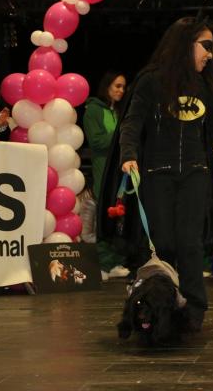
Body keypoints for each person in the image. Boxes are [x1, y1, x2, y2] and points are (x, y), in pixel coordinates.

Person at [114, 16, 213, 331]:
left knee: (190, 243)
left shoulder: (206, 87)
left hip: (195, 174)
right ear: (185, 43)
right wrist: (128, 155)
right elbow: (132, 121)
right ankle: (159, 304)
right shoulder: (151, 81)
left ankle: (194, 308)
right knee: (163, 243)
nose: (210, 54)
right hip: (157, 174)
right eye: (205, 46)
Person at [83, 71, 130, 280]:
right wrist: (122, 132)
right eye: (117, 86)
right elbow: (96, 141)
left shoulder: (119, 111)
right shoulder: (93, 110)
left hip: (120, 171)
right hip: (103, 170)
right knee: (104, 215)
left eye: (123, 87)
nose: (121, 90)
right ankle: (102, 263)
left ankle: (114, 261)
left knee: (119, 215)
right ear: (106, 87)